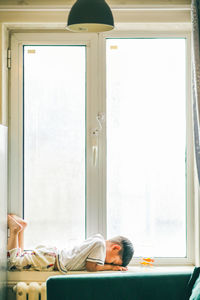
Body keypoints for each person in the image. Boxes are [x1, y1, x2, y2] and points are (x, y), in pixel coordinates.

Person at [7, 214, 134, 273]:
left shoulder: (98, 240)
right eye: (113, 261)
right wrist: (112, 268)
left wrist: (111, 266)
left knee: (21, 258)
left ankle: (21, 229)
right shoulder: (100, 246)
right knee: (13, 263)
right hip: (51, 259)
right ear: (115, 248)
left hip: (52, 255)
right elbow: (91, 267)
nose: (107, 263)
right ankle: (14, 231)